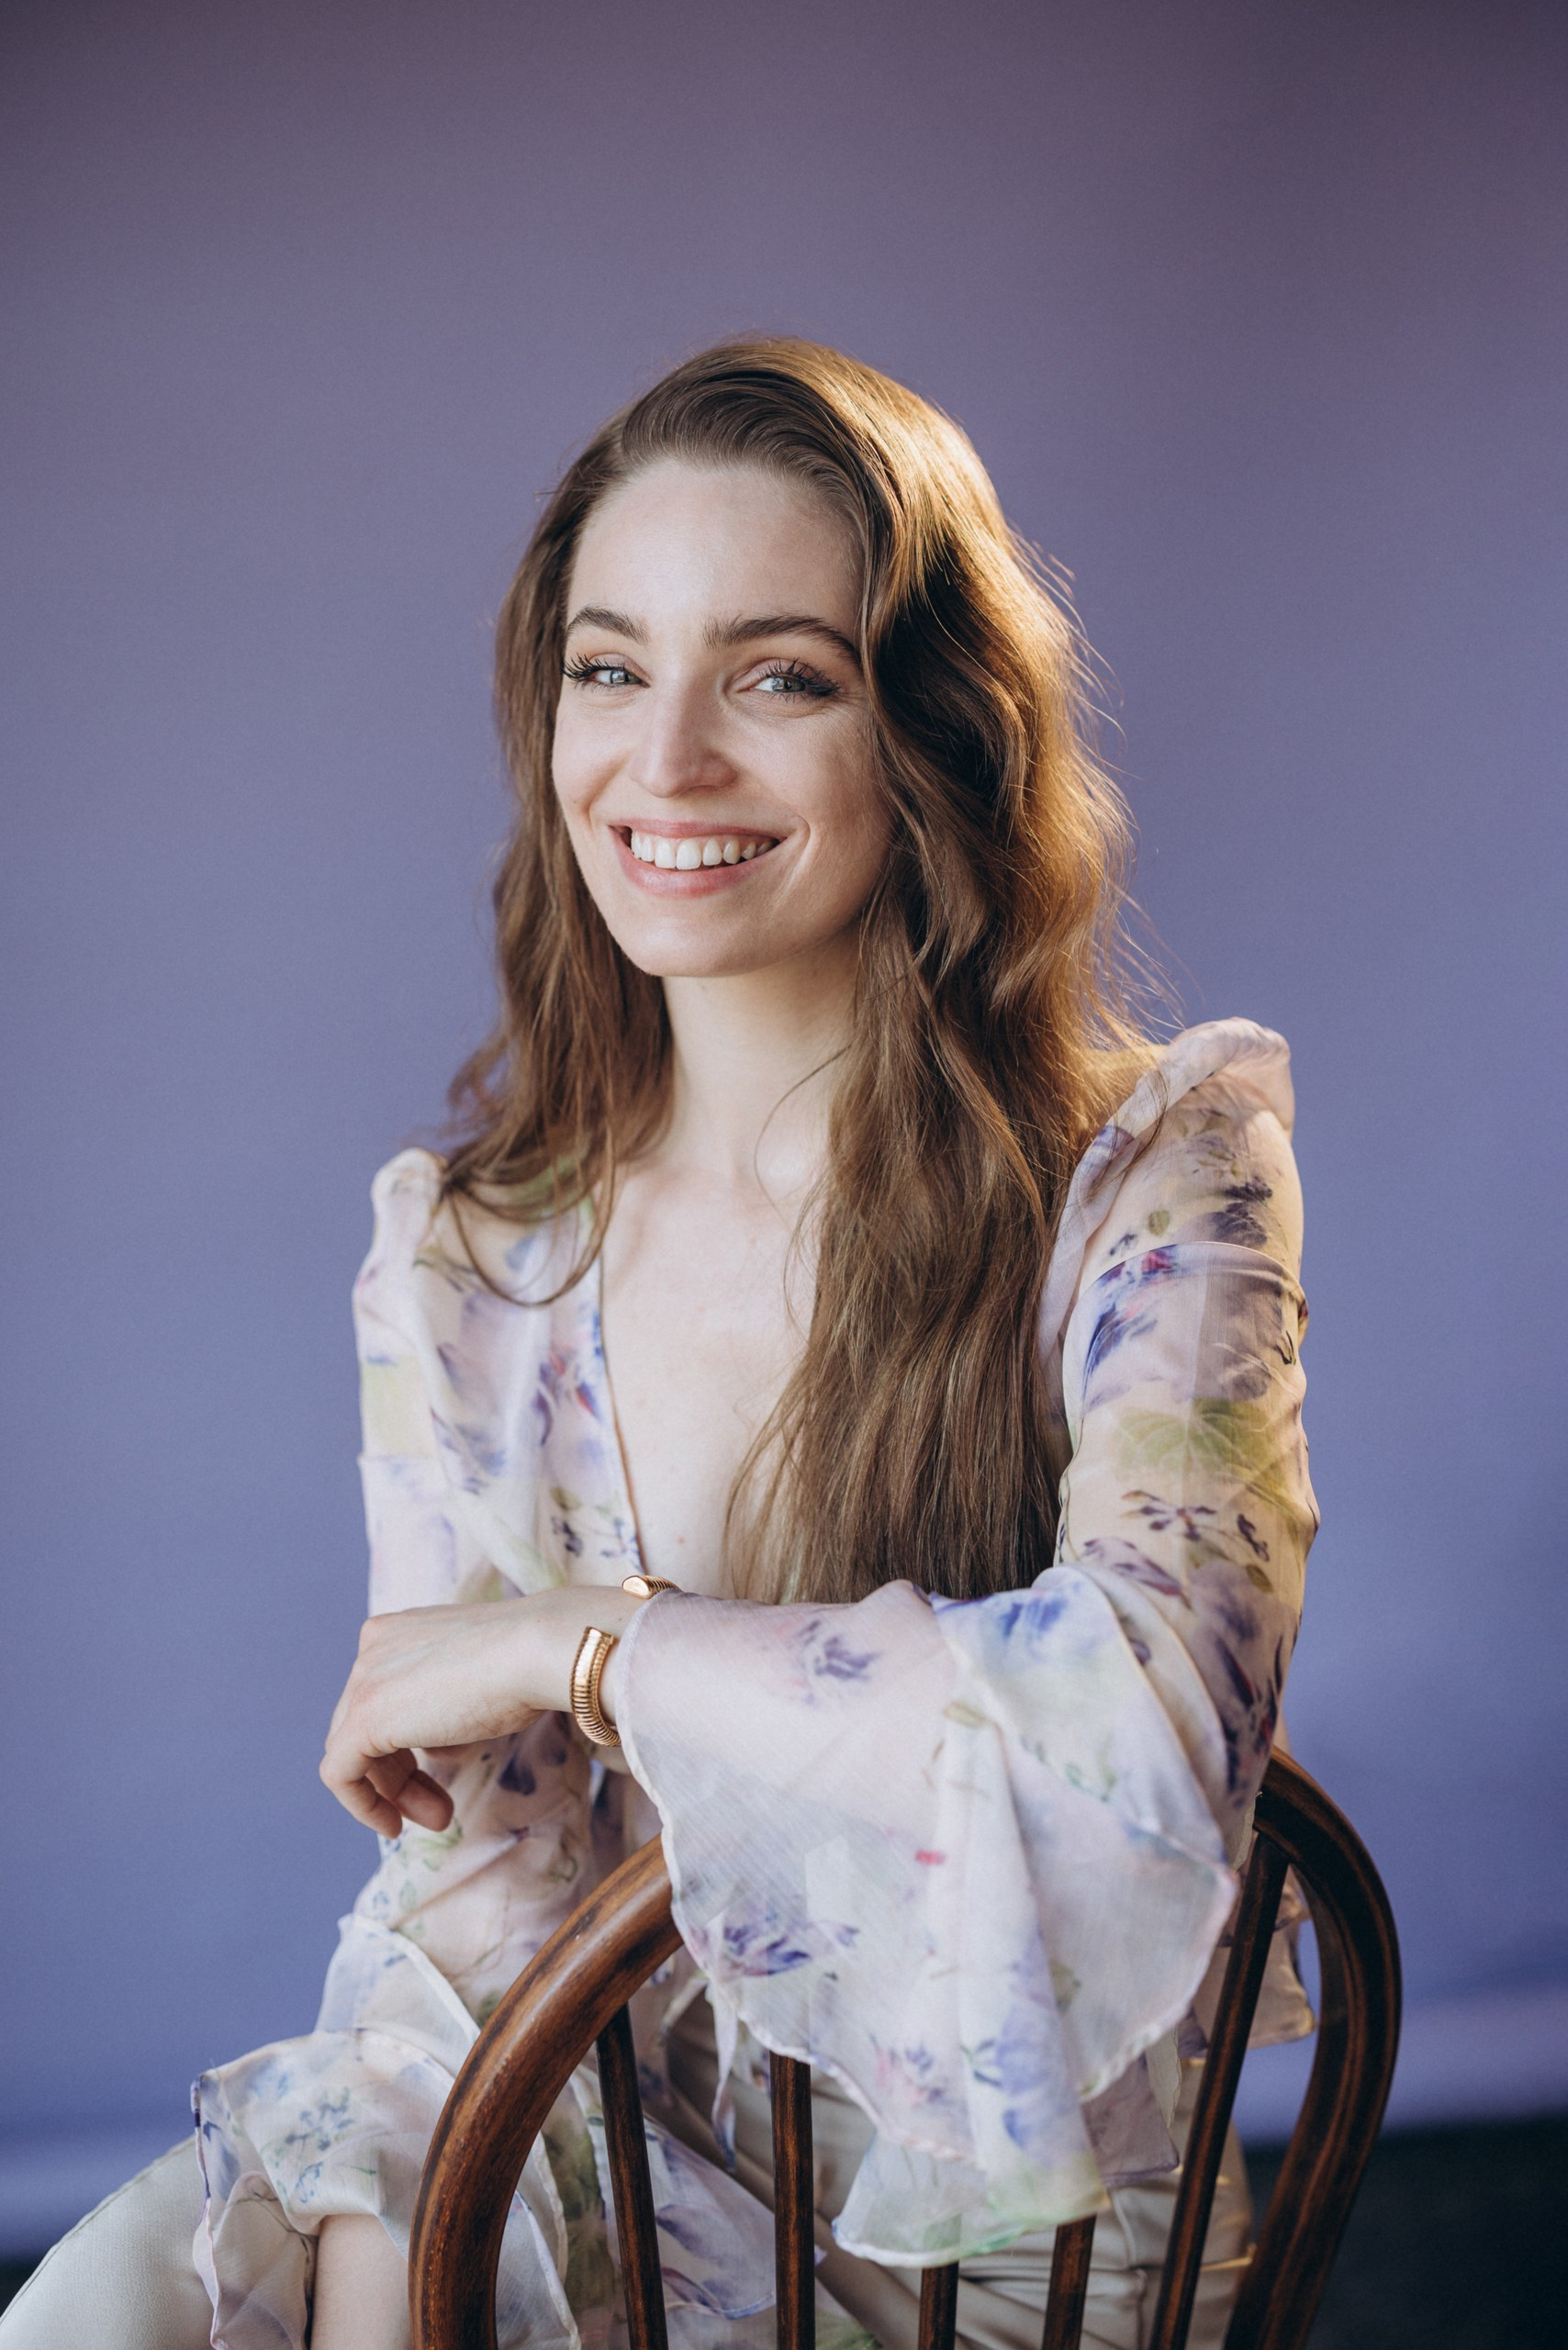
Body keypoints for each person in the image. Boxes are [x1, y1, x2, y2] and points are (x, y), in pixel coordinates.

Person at [2, 339, 1316, 2350]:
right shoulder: (467, 1262)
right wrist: (395, 2242)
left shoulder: (1157, 1184)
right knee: (164, 2271)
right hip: (604, 2133)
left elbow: (1137, 1731)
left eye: (778, 678)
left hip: (1001, 2225)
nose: (666, 761)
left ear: (932, 734)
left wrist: (585, 1639)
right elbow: (475, 1919)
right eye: (609, 670)